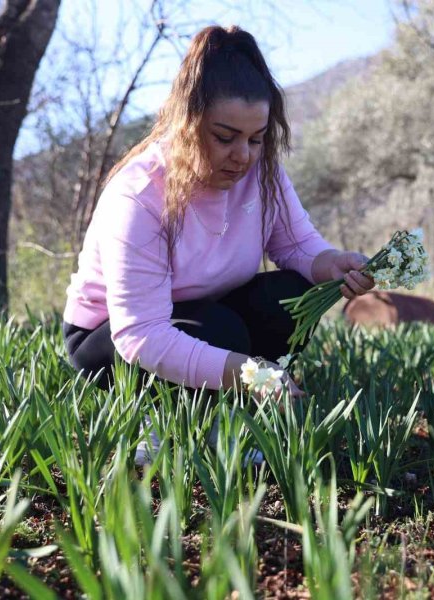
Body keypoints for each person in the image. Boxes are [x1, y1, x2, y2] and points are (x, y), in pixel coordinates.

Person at [61, 25, 375, 396]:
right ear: (188, 124)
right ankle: (207, 401)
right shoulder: (139, 194)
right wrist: (251, 375)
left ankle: (236, 386)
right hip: (113, 338)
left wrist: (333, 263)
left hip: (207, 313)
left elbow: (296, 245)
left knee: (292, 296)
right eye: (225, 137)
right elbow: (141, 335)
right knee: (220, 332)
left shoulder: (262, 172)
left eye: (256, 139)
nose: (243, 156)